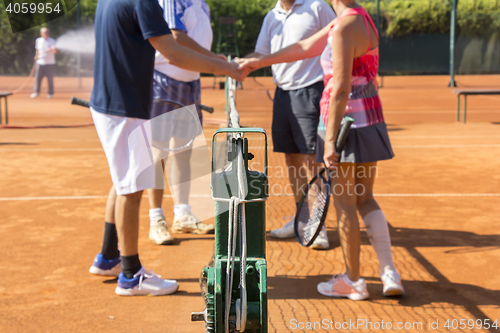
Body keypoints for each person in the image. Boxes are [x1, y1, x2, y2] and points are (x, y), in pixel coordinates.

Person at [239, 0, 404, 300]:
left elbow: (340, 87)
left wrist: (330, 142)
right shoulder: (361, 20)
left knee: (344, 205)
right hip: (369, 119)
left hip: (344, 127)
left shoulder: (341, 28)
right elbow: (303, 48)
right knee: (365, 199)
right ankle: (390, 273)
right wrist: (254, 63)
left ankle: (353, 281)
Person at [87, 0, 247, 296]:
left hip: (112, 100)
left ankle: (108, 257)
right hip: (125, 103)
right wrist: (224, 67)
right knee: (132, 189)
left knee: (123, 180)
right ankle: (131, 275)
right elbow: (172, 52)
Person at [247, 0, 336, 250]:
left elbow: (336, 39)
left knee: (312, 160)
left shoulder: (318, 6)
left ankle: (318, 225)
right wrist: (237, 64)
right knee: (291, 159)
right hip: (282, 94)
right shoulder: (271, 16)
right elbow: (260, 53)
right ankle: (302, 218)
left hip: (311, 92)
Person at [146, 0, 221, 246]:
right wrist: (215, 60)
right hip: (163, 82)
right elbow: (176, 37)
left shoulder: (202, 4)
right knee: (159, 152)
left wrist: (209, 62)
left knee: (184, 151)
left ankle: (183, 215)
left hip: (191, 82)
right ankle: (156, 219)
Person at [31, 27, 57, 99]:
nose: (47, 34)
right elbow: (37, 50)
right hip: (40, 63)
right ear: (41, 33)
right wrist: (36, 56)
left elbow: (56, 51)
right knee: (38, 78)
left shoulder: (52, 41)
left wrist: (54, 49)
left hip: (50, 63)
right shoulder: (38, 40)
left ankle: (50, 93)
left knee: (50, 79)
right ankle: (36, 92)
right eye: (45, 32)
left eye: (47, 32)